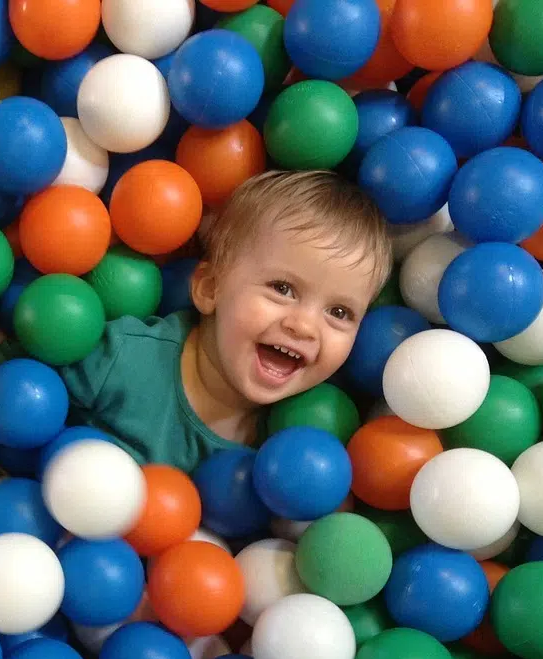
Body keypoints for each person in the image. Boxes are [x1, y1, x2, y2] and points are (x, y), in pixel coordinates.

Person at [59, 169, 394, 474]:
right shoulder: (123, 359)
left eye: (339, 313)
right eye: (282, 289)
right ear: (210, 289)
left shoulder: (299, 446)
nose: (304, 326)